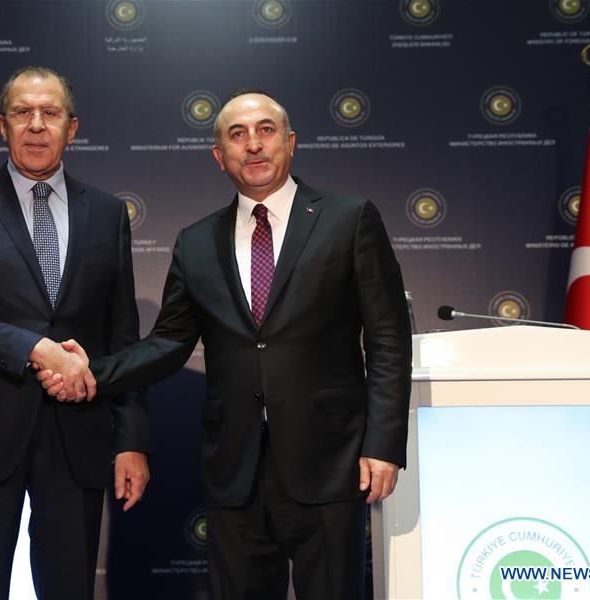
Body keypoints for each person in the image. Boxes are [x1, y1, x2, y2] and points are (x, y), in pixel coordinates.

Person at [40, 91, 412, 599]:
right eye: (237, 135)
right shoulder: (196, 242)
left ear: (291, 143)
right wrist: (94, 370)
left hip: (331, 462)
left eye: (265, 130)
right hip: (234, 472)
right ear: (220, 156)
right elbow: (170, 342)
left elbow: (389, 337)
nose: (253, 144)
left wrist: (384, 444)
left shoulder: (349, 220)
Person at [0, 65, 150, 600]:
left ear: (73, 126)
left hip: (78, 437)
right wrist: (37, 349)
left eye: (50, 113)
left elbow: (122, 337)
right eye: (23, 112)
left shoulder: (109, 214)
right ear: (3, 126)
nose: (37, 125)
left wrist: (133, 441)